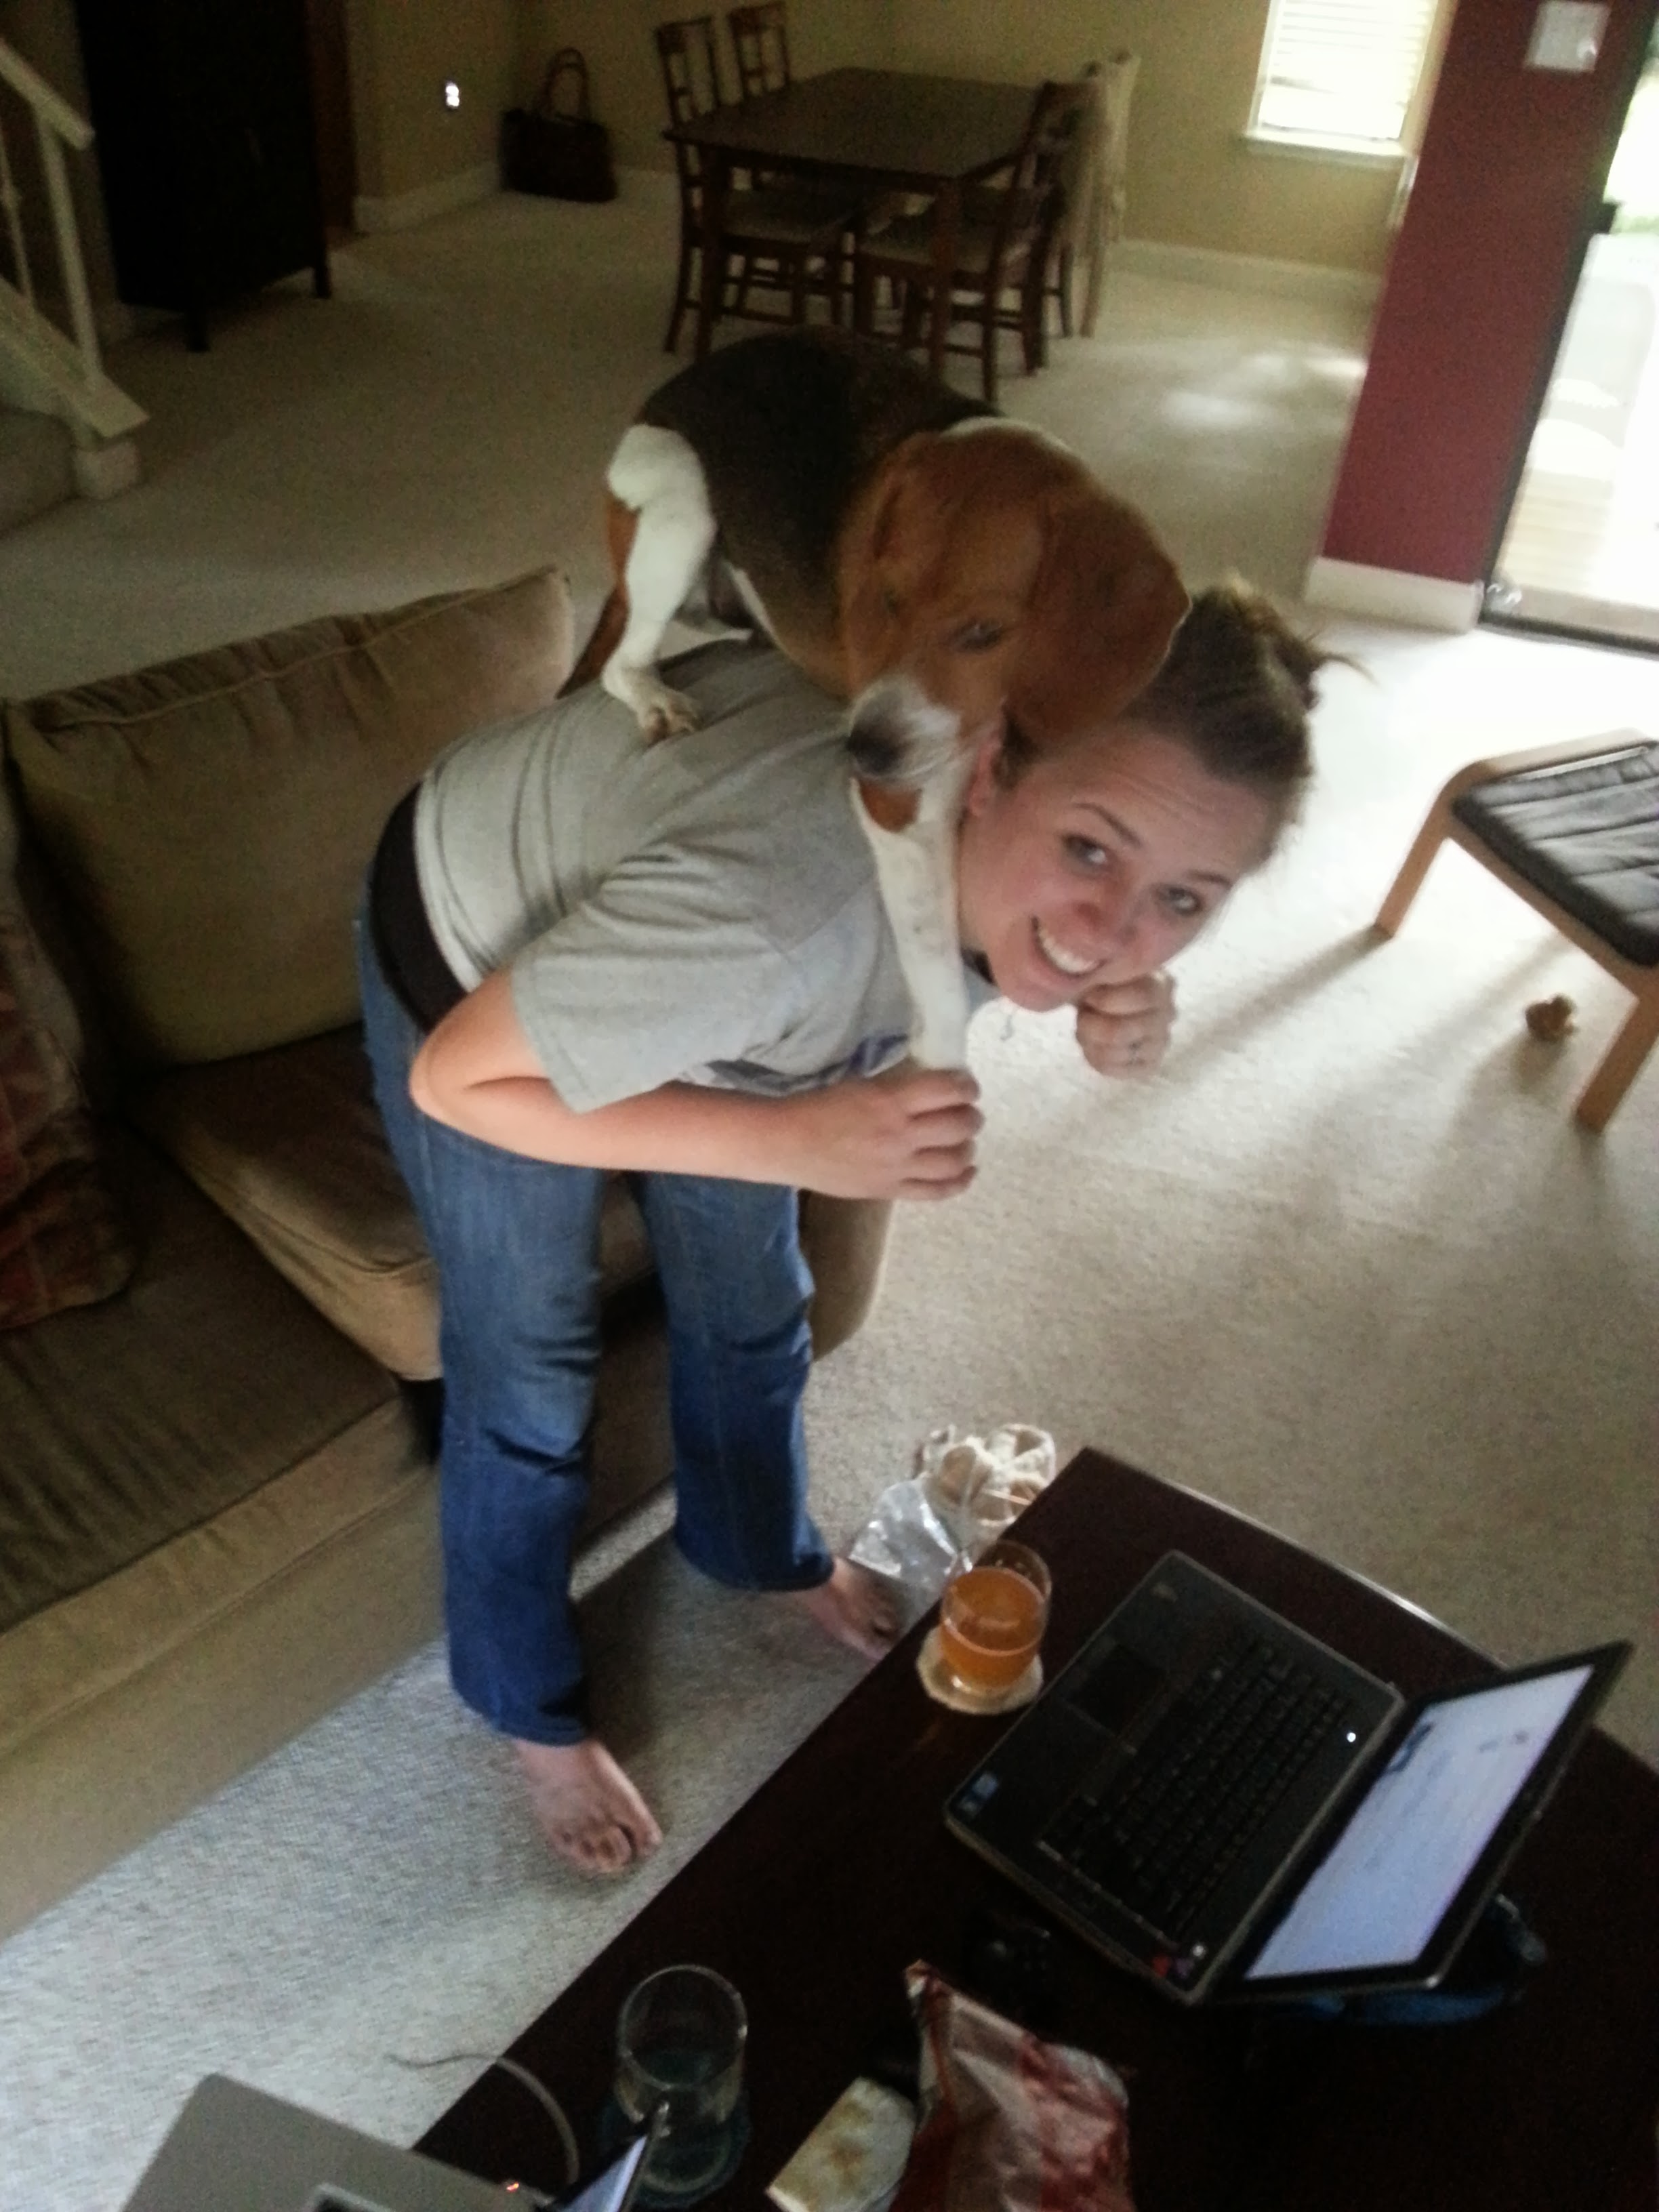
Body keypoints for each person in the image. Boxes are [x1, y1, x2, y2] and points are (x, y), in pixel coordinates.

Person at [356, 580, 1334, 1876]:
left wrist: (1111, 994)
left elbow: (1076, 927)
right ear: (988, 765)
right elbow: (459, 1082)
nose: (1116, 934)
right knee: (529, 1369)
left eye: (1186, 900)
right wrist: (796, 1139)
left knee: (756, 1301)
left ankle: (754, 1549)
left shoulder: (987, 853)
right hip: (473, 963)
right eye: (1093, 852)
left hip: (691, 970)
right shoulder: (788, 920)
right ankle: (523, 1705)